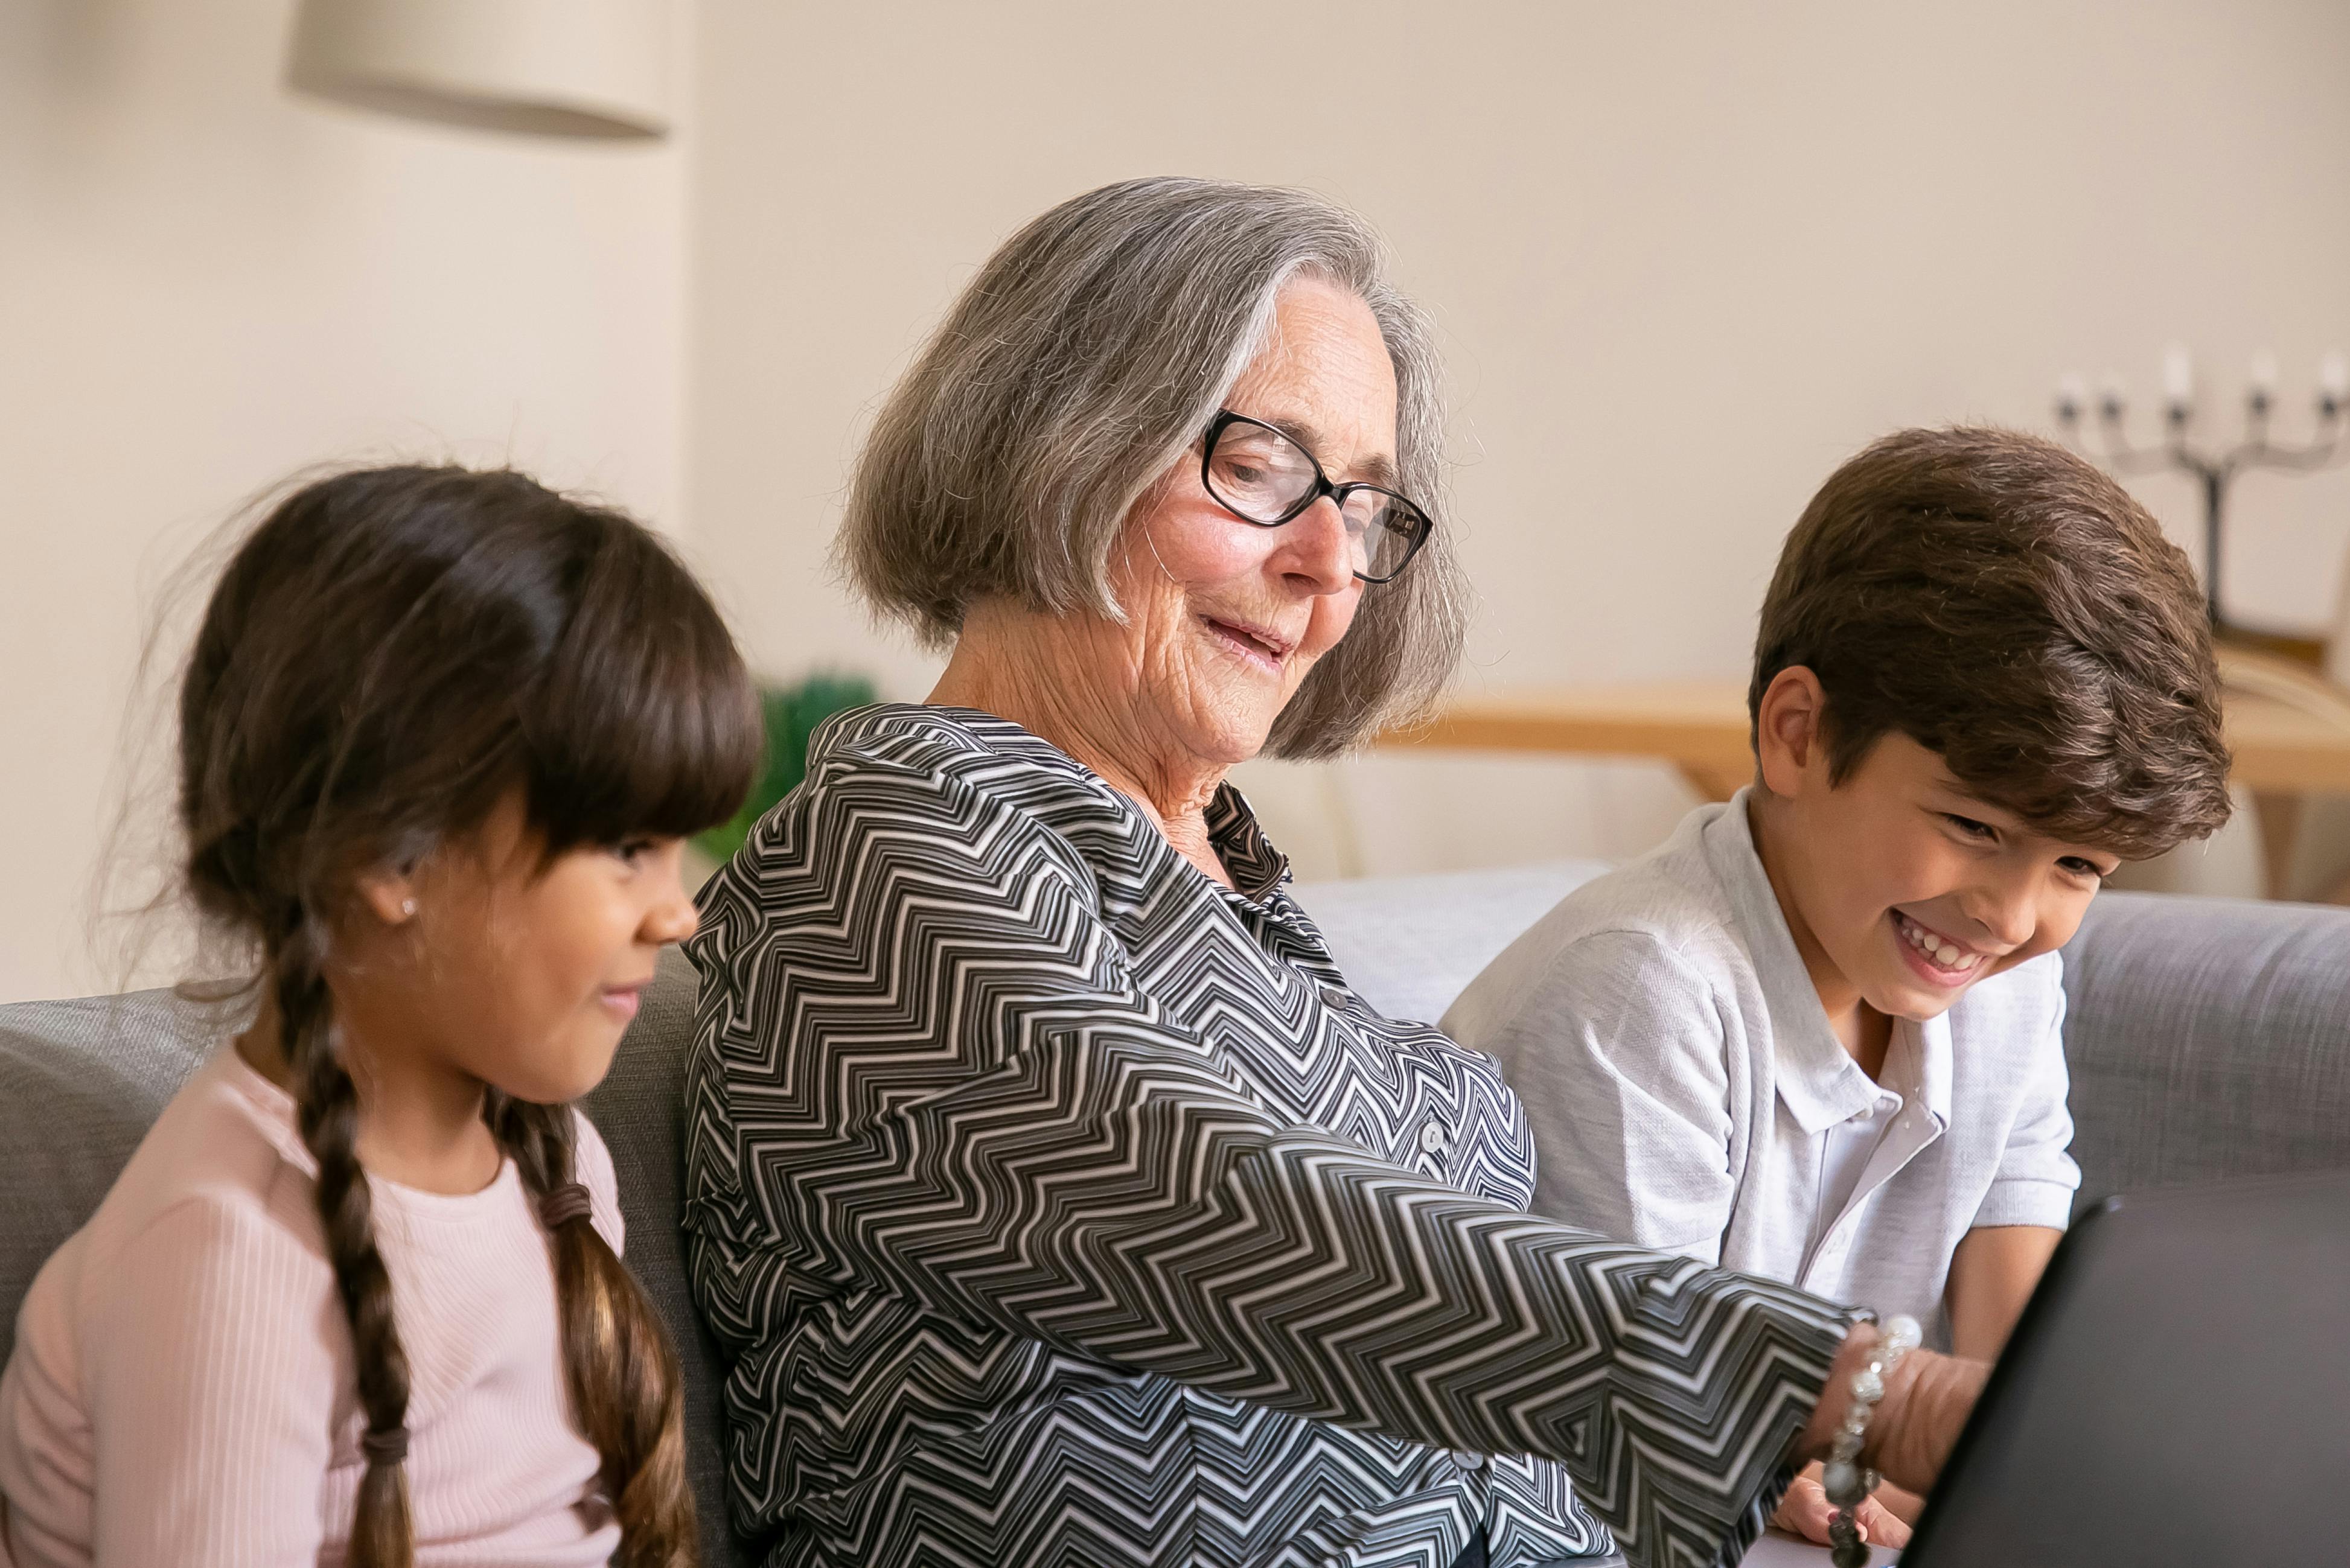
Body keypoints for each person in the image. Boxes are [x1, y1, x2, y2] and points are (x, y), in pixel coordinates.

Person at [682, 177, 1984, 1568]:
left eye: (1365, 507)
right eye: (1259, 468)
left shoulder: (1245, 910)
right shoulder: (886, 848)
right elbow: (1233, 1219)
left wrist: (1718, 1483)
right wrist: (1835, 1392)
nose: (1325, 563)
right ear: (1055, 441)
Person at [1443, 427, 2232, 1545]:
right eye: (1972, 825)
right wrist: (1789, 1470)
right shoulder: (1642, 991)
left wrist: (2015, 1473)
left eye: (2077, 867)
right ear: (1797, 734)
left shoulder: (1998, 981)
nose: (2009, 917)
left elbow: (2015, 1201)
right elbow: (1639, 1380)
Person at [0, 467, 761, 1567]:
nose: (680, 910)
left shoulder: (556, 1156)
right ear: (389, 854)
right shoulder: (232, 1266)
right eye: (627, 848)